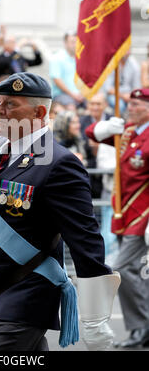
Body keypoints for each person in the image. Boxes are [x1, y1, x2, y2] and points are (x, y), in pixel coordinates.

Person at [0, 72, 120, 351]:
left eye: (11, 104)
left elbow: (85, 240)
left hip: (27, 290)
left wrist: (95, 317)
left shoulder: (60, 163)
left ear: (39, 111)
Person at [85, 88, 149, 348]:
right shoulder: (129, 133)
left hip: (142, 214)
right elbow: (91, 134)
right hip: (125, 212)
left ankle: (140, 327)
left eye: (135, 104)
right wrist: (107, 126)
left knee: (123, 268)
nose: (129, 108)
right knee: (138, 273)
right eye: (129, 103)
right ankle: (143, 328)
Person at [80, 92, 111, 198]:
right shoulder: (81, 122)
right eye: (92, 104)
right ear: (88, 105)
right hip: (88, 171)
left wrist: (100, 146)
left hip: (109, 171)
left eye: (98, 104)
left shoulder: (113, 121)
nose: (95, 107)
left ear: (105, 104)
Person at [49, 31, 85, 110]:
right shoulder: (56, 58)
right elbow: (57, 80)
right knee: (70, 107)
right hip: (62, 94)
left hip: (80, 94)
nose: (75, 45)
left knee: (97, 101)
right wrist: (73, 95)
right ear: (65, 43)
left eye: (77, 42)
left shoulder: (81, 58)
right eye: (72, 42)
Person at [102, 51, 141, 115]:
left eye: (128, 49)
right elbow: (108, 88)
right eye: (125, 49)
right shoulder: (111, 63)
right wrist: (123, 96)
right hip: (114, 95)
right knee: (120, 106)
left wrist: (131, 96)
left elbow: (137, 87)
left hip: (130, 95)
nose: (127, 52)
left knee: (140, 105)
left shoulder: (134, 64)